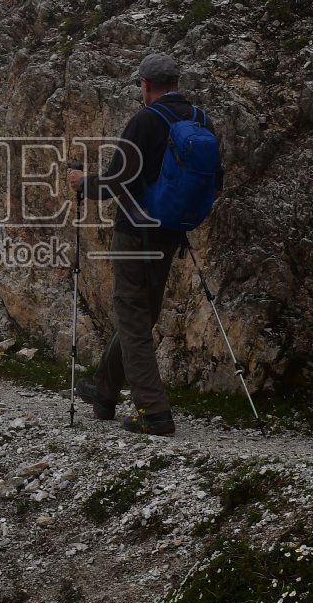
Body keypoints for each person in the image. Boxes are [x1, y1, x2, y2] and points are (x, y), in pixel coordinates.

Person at [66, 52, 222, 436]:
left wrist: (83, 182)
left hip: (135, 233)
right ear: (176, 81)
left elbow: (115, 182)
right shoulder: (201, 121)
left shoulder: (146, 121)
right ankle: (103, 392)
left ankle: (153, 411)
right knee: (141, 316)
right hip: (170, 233)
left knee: (133, 320)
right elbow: (216, 184)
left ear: (146, 85)